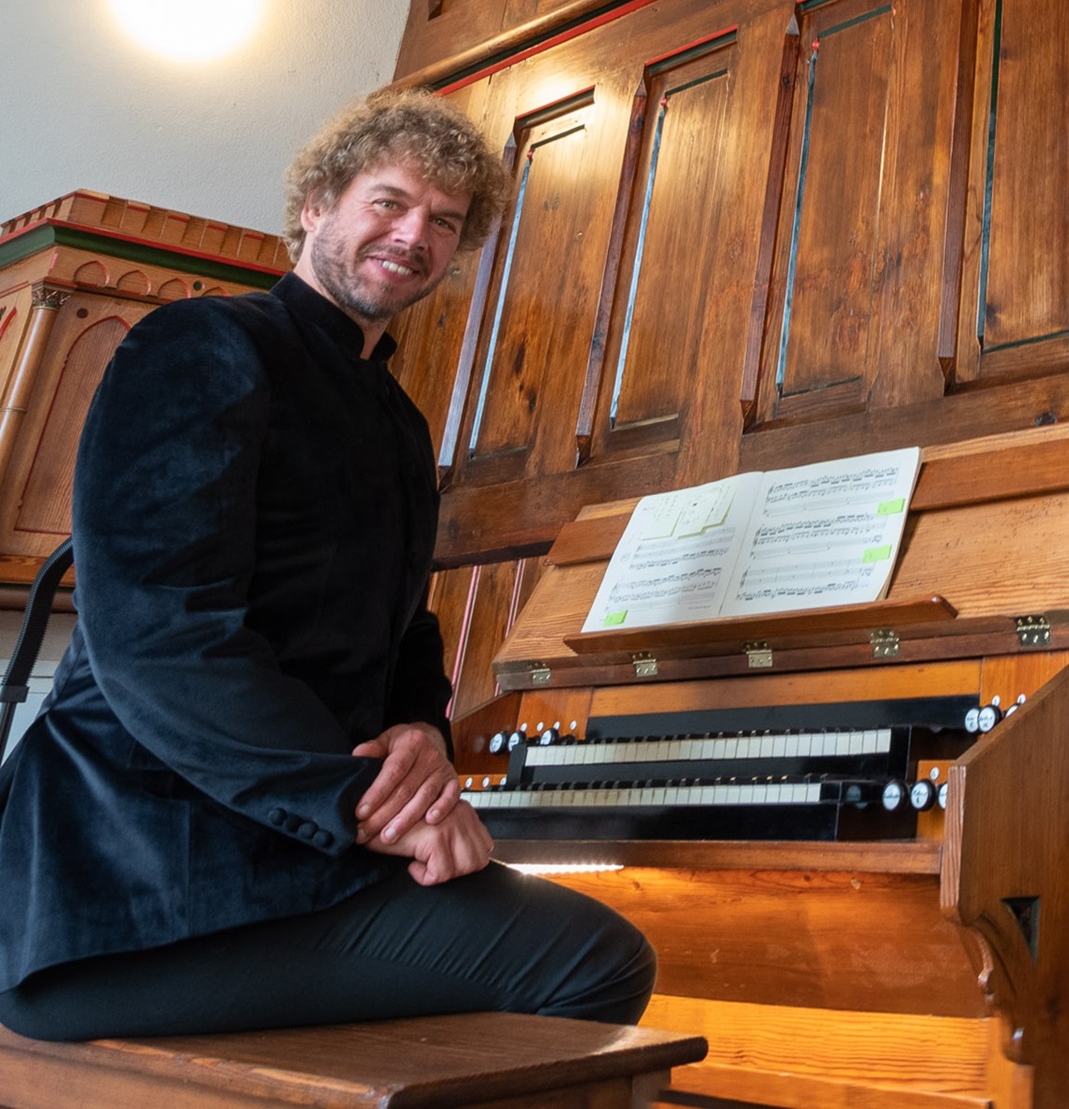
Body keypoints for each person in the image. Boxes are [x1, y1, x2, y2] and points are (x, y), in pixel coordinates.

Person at [0, 90, 656, 1041]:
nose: (413, 235)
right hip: (125, 876)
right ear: (316, 204)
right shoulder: (203, 343)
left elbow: (405, 626)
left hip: (279, 851)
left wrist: (420, 732)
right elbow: (161, 633)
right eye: (388, 202)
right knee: (594, 961)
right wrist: (366, 806)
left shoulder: (397, 421)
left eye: (443, 222)